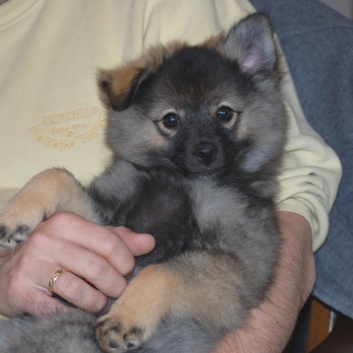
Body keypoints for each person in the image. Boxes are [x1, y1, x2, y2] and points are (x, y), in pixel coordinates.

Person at [0, 0, 342, 352]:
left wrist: (160, 287)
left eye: (224, 114)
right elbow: (94, 219)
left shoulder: (244, 204)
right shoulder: (132, 170)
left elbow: (234, 279)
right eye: (172, 122)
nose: (204, 144)